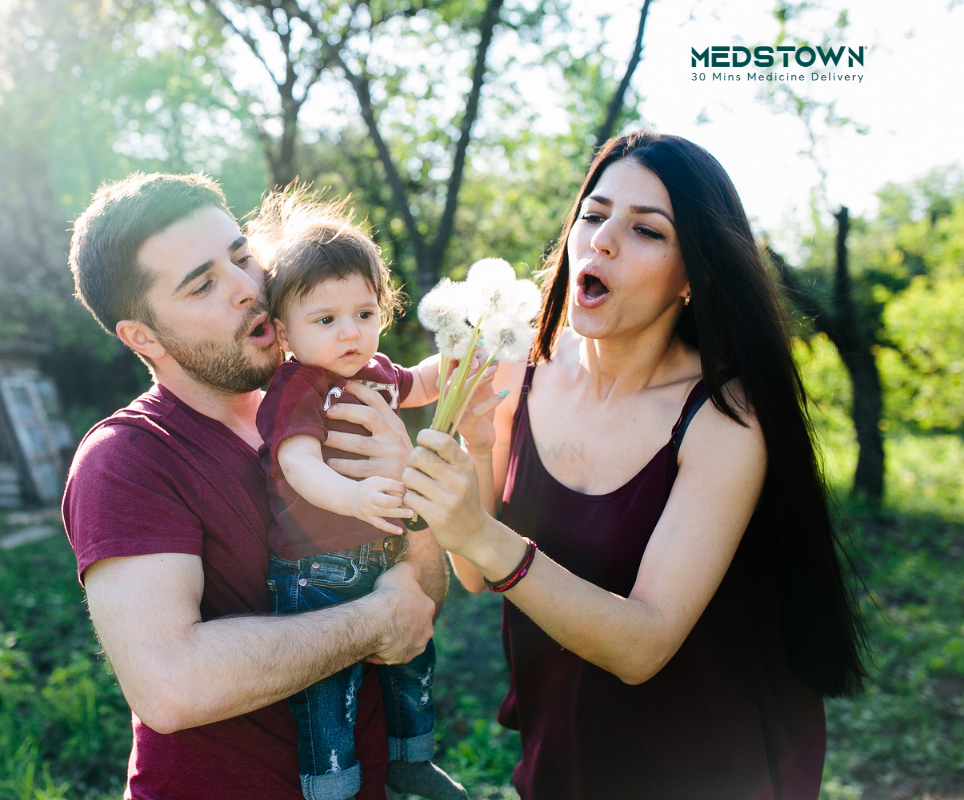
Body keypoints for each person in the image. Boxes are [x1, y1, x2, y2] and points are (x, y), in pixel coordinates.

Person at [400, 132, 868, 800]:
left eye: (646, 230)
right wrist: (474, 452)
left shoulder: (725, 418)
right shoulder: (517, 368)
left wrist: (480, 532)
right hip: (564, 761)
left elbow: (642, 644)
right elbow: (477, 573)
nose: (603, 241)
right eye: (593, 215)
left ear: (694, 275)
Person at [61, 172, 448, 799]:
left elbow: (423, 603)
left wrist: (411, 507)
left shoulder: (327, 401)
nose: (247, 288)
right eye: (203, 284)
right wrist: (375, 619)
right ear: (142, 336)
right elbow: (171, 685)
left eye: (241, 256)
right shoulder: (128, 460)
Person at [247, 190, 467, 800]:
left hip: (379, 557)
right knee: (327, 688)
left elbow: (423, 381)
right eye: (326, 320)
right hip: (314, 565)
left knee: (411, 659)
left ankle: (411, 757)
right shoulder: (299, 386)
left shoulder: (374, 372)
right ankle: (331, 786)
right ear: (283, 332)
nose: (350, 333)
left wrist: (474, 358)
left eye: (364, 314)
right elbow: (298, 465)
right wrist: (354, 499)